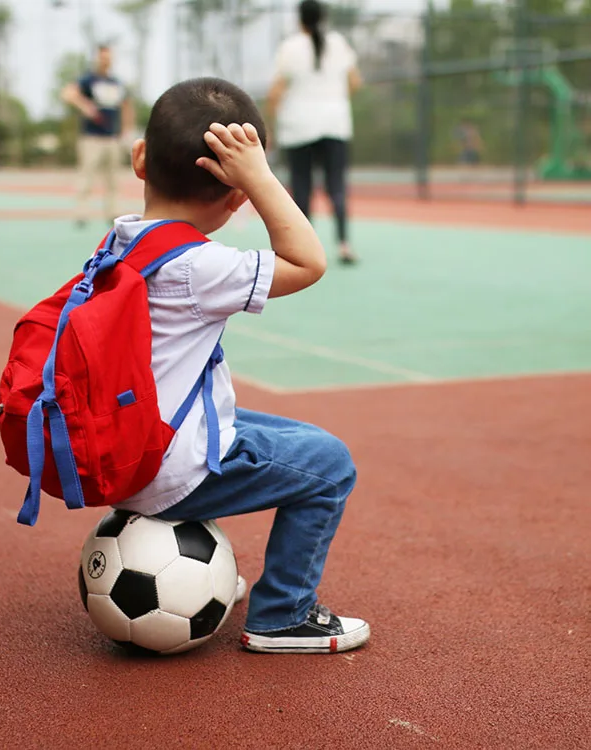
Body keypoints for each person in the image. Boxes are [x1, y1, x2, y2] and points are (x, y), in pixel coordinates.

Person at [104, 77, 369, 654]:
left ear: (140, 159)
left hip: (132, 442)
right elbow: (308, 259)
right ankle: (281, 616)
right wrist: (261, 176)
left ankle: (208, 577)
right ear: (236, 196)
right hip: (170, 470)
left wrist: (247, 180)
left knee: (301, 437)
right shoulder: (200, 266)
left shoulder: (122, 238)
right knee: (331, 465)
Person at [267, 0, 362, 265]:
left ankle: (303, 251)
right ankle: (344, 245)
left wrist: (271, 122)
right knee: (337, 186)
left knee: (301, 187)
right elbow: (355, 81)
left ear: (300, 20)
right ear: (323, 17)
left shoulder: (289, 47)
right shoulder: (339, 43)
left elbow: (276, 91)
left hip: (298, 127)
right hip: (335, 124)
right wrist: (334, 100)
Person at [62, 45, 134, 227]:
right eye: (102, 57)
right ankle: (81, 213)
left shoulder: (116, 83)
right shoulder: (88, 80)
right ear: (97, 58)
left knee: (114, 179)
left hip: (112, 137)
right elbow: (68, 94)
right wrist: (85, 106)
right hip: (91, 137)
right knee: (86, 176)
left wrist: (126, 129)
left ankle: (113, 213)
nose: (105, 60)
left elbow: (126, 106)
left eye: (108, 57)